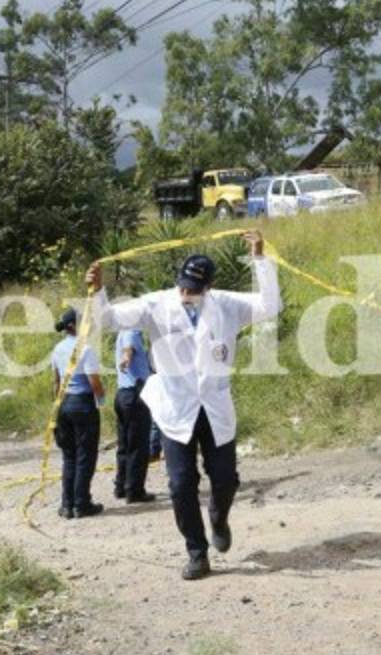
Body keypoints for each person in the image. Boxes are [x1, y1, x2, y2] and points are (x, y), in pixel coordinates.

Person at [88, 230, 280, 580]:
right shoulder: (156, 304)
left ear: (208, 287)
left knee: (225, 479)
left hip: (215, 407)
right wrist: (98, 291)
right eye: (183, 286)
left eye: (194, 288)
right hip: (174, 409)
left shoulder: (226, 305)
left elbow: (269, 306)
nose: (186, 293)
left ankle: (219, 516)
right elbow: (109, 320)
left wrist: (260, 260)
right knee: (180, 483)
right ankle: (197, 552)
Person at [51, 308, 107, 519]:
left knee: (69, 456)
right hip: (83, 404)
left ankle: (67, 505)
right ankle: (82, 503)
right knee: (85, 455)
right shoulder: (86, 349)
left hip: (64, 404)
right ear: (74, 326)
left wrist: (57, 409)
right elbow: (95, 382)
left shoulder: (57, 349)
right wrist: (101, 402)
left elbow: (56, 382)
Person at [114, 327, 156, 503]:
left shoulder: (121, 331)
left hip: (123, 394)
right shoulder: (132, 331)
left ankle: (121, 486)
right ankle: (135, 490)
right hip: (135, 394)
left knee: (124, 444)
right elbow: (129, 349)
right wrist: (127, 358)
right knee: (138, 445)